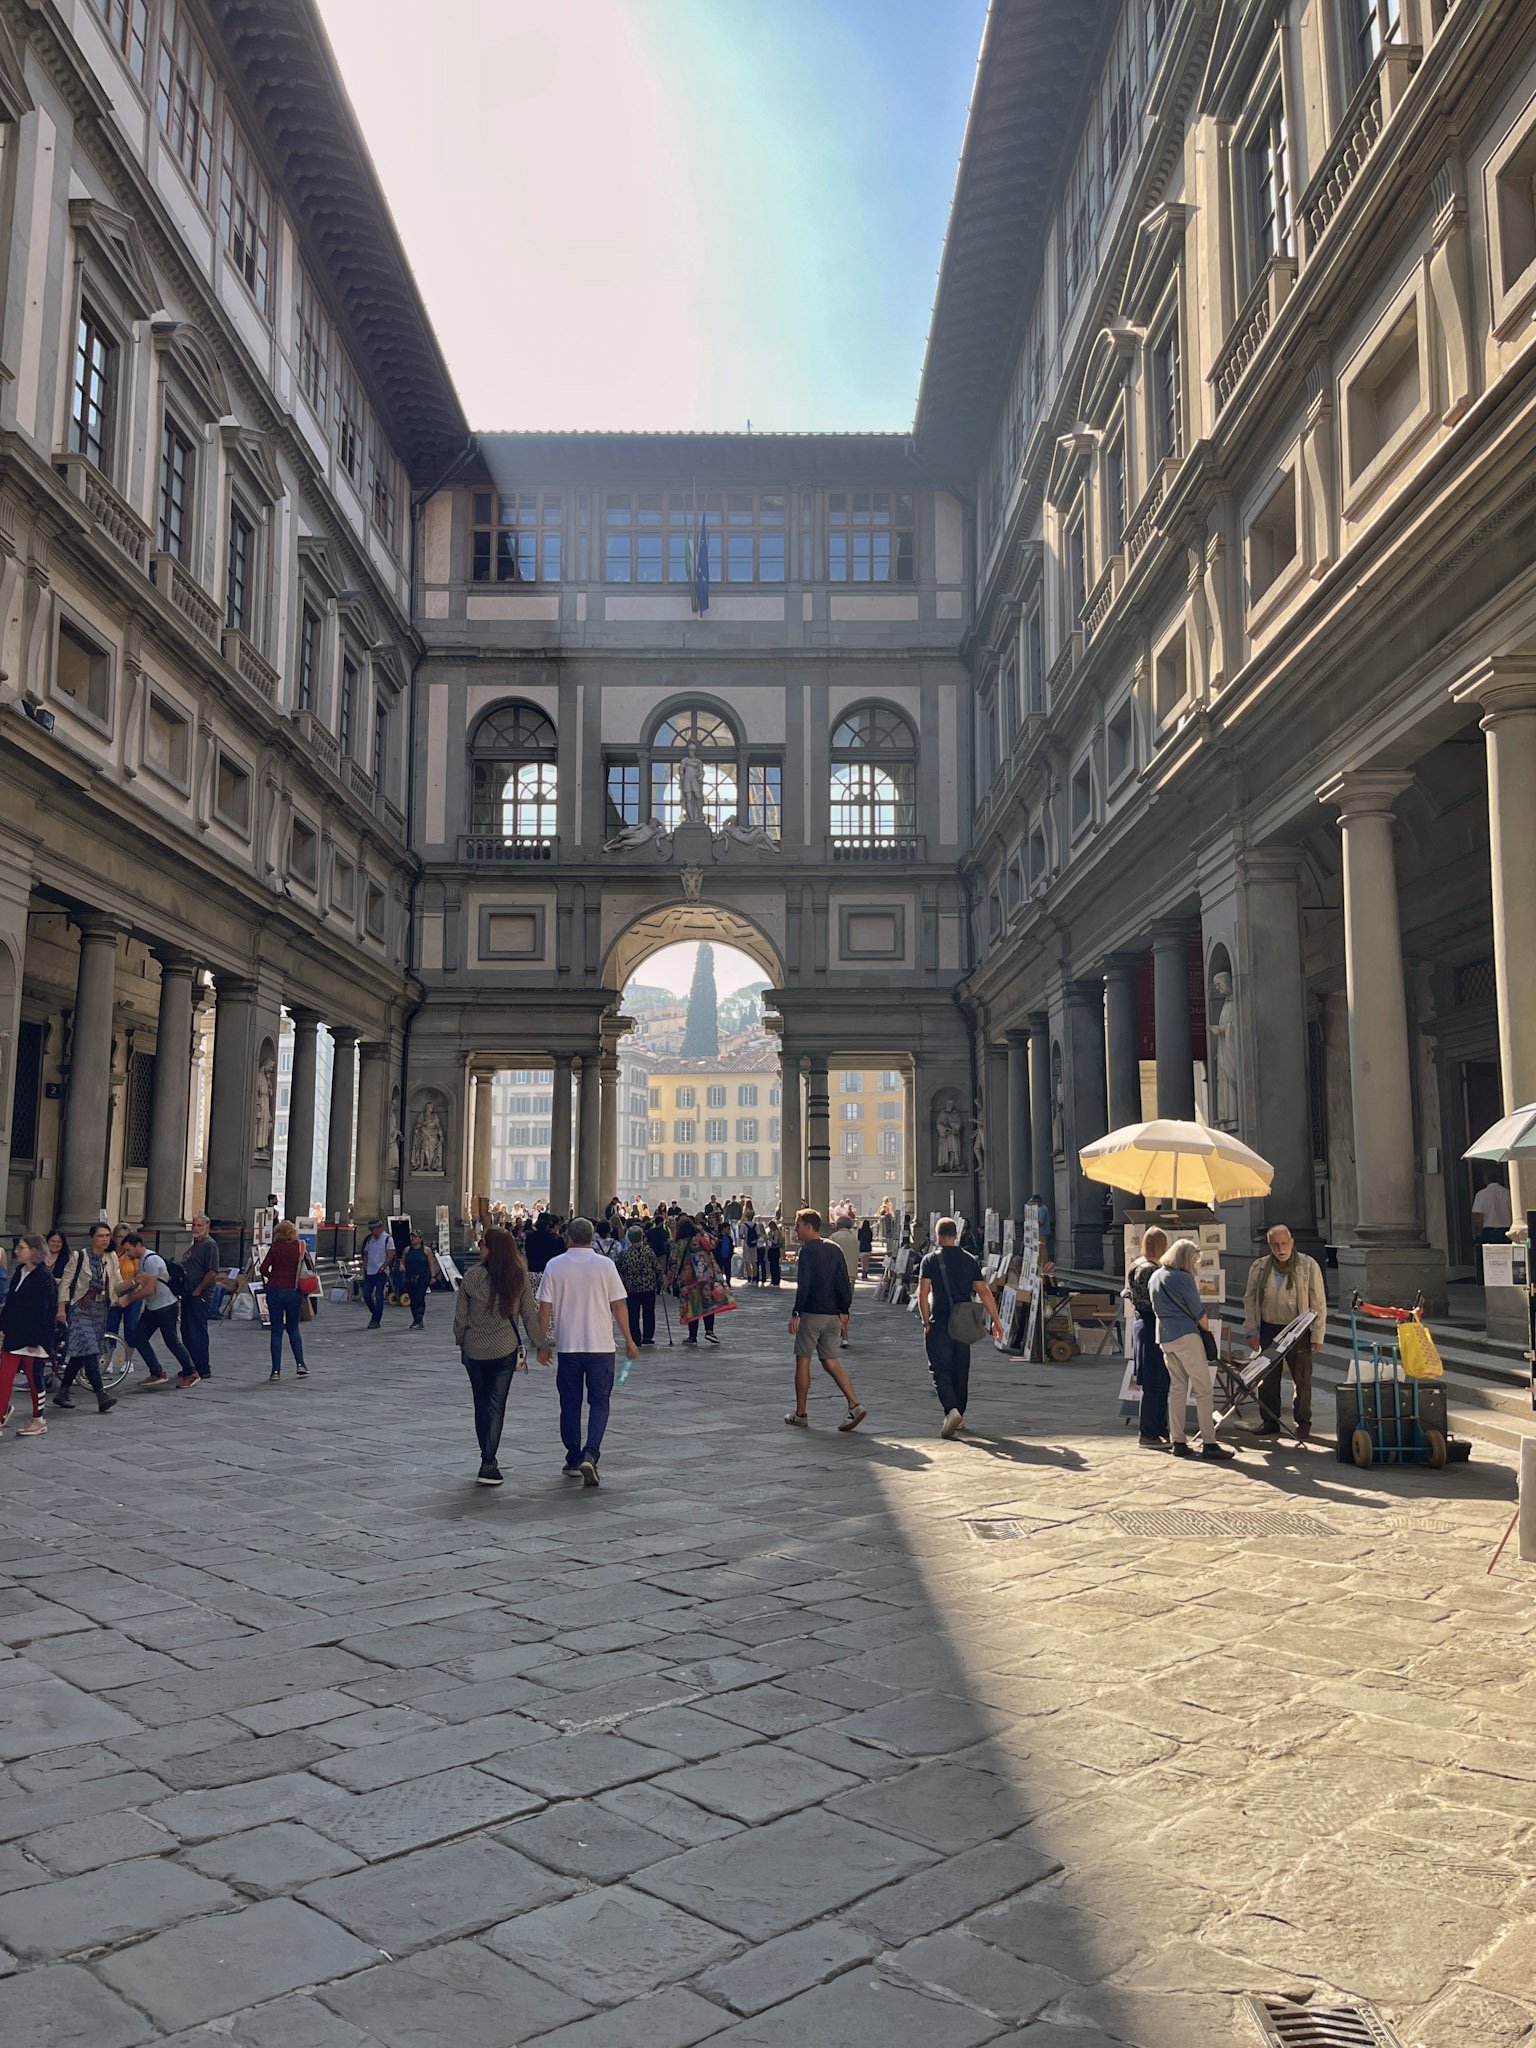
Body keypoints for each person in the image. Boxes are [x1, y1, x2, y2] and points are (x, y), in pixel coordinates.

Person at [536, 1217, 638, 1488]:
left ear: (568, 1237)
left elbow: (544, 1307)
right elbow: (619, 1305)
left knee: (569, 1403)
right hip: (601, 1346)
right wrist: (629, 1339)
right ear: (591, 1238)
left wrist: (542, 1343)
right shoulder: (605, 1265)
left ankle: (572, 1457)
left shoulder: (554, 1265)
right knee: (600, 1402)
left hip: (569, 1346)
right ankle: (591, 1454)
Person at [453, 1224, 540, 1486]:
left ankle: (486, 1456)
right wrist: (541, 1344)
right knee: (496, 1404)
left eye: (483, 1244)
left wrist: (462, 1341)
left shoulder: (471, 1277)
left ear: (492, 1248)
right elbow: (528, 1314)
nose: (480, 1247)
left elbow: (460, 1318)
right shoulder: (519, 1276)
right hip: (503, 1349)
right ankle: (489, 1462)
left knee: (480, 1403)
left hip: (475, 1350)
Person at [917, 1216, 1005, 1437]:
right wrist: (996, 1320)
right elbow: (983, 1291)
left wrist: (925, 1320)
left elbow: (923, 1292)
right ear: (956, 1235)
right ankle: (960, 1414)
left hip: (940, 1320)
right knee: (961, 1368)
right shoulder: (969, 1260)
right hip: (964, 1321)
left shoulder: (929, 1260)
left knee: (939, 1368)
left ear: (938, 1236)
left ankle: (951, 1409)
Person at [1242, 1224, 1328, 1442]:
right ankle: (1270, 1421)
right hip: (1270, 1328)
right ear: (1270, 1246)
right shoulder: (1260, 1267)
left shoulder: (1308, 1265)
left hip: (1298, 1329)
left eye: (1284, 1243)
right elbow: (1250, 1300)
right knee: (1268, 1379)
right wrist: (1251, 1329)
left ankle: (1303, 1422)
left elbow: (1318, 1302)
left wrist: (1318, 1335)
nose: (1280, 1248)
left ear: (1291, 1243)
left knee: (1302, 1378)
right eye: (1275, 1244)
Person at [1150, 1239, 1233, 1461]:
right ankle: (1209, 1442)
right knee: (1203, 1390)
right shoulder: (1184, 1278)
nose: (1196, 1263)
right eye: (1195, 1259)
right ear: (1187, 1258)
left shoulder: (1155, 1276)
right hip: (1186, 1336)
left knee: (1177, 1389)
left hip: (1165, 1337)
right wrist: (1206, 1328)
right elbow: (1199, 1314)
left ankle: (1177, 1440)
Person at [785, 1208, 865, 1431]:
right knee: (830, 1361)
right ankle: (855, 1404)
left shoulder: (808, 1251)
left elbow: (805, 1284)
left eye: (798, 1224)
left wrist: (796, 1313)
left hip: (812, 1313)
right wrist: (844, 1309)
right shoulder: (834, 1248)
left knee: (803, 1360)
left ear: (809, 1226)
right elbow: (842, 1281)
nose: (796, 1228)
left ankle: (801, 1413)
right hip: (832, 1315)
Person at [53, 1222, 121, 1415]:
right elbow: (65, 1283)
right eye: (101, 1236)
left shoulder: (111, 1257)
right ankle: (101, 1395)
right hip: (80, 1308)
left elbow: (117, 1281)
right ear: (92, 1238)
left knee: (80, 1353)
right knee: (90, 1350)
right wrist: (61, 1309)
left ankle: (63, 1391)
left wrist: (134, 1284)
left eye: (108, 1236)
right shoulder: (79, 1256)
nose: (105, 1239)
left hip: (100, 1309)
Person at [0, 1236, 57, 1439]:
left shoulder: (44, 1277)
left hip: (34, 1339)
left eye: (21, 1247)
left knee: (34, 1379)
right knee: (4, 1377)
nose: (16, 1251)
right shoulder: (19, 1272)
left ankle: (38, 1419)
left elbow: (44, 1311)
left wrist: (34, 1341)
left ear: (34, 1250)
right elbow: (12, 1303)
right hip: (15, 1335)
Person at [124, 1234, 199, 1387]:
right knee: (139, 1338)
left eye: (128, 1249)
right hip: (153, 1307)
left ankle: (191, 1372)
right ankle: (157, 1372)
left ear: (137, 1245)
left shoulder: (151, 1260)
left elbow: (149, 1289)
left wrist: (129, 1298)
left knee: (172, 1341)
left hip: (165, 1306)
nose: (127, 1253)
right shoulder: (143, 1260)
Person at [1122, 1226, 1171, 1449]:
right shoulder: (1151, 1270)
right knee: (1155, 1382)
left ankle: (1159, 1429)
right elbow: (1158, 1301)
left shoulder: (1136, 1264)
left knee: (1157, 1380)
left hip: (1141, 1323)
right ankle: (1149, 1432)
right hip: (1152, 1325)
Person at [667, 1218, 732, 1346]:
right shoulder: (701, 1239)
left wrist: (668, 1280)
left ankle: (692, 1336)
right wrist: (702, 1232)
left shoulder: (679, 1244)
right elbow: (715, 1242)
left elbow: (673, 1263)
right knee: (708, 1303)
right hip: (705, 1277)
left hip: (688, 1281)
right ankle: (709, 1331)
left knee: (692, 1307)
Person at [260, 1219, 308, 1381]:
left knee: (276, 1331)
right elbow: (308, 1267)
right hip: (293, 1291)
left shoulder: (275, 1248)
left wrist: (273, 1278)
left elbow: (263, 1268)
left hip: (274, 1291)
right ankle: (300, 1364)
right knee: (293, 1328)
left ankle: (275, 1371)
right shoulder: (300, 1248)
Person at [179, 1214, 225, 1379]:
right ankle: (190, 1365)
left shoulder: (209, 1245)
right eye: (194, 1225)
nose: (196, 1228)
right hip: (187, 1293)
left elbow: (212, 1271)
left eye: (199, 1225)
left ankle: (202, 1366)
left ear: (206, 1227)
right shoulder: (195, 1245)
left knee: (197, 1330)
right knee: (186, 1330)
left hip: (200, 1294)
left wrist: (198, 1290)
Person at [615, 1225, 660, 1347]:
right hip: (648, 1286)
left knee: (633, 1313)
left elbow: (619, 1269)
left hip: (632, 1287)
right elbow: (657, 1267)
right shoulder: (648, 1251)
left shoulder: (625, 1254)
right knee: (649, 1311)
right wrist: (659, 1281)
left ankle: (636, 1337)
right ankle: (648, 1336)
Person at [829, 1214, 860, 1345]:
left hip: (836, 1275)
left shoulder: (833, 1238)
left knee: (835, 1306)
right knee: (845, 1305)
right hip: (851, 1275)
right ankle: (844, 1333)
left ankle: (842, 1332)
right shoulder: (854, 1239)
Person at [360, 1219, 391, 1327]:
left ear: (379, 1228)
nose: (372, 1232)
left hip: (381, 1272)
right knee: (366, 1294)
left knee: (379, 1295)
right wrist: (365, 1266)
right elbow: (366, 1253)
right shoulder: (370, 1239)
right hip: (369, 1271)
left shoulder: (387, 1239)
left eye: (373, 1230)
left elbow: (390, 1255)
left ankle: (376, 1320)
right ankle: (375, 1313)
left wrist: (383, 1267)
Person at [402, 1232, 435, 1329]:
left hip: (422, 1277)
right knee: (412, 1298)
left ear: (420, 1239)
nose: (413, 1239)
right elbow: (403, 1261)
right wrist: (401, 1267)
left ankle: (419, 1319)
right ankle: (415, 1318)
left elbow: (430, 1263)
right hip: (410, 1277)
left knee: (419, 1297)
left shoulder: (426, 1250)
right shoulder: (407, 1250)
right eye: (412, 1237)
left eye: (415, 1237)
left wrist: (433, 1276)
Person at [1473, 1172, 1513, 1249]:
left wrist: (1478, 1234)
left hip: (1488, 1232)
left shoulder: (1481, 1194)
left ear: (1486, 1179)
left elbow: (1478, 1216)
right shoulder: (1507, 1193)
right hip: (1506, 1230)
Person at [763, 1216, 783, 1287]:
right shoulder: (771, 1232)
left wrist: (769, 1238)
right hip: (772, 1249)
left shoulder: (776, 1232)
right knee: (772, 1265)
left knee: (775, 1266)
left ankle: (775, 1281)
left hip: (774, 1249)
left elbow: (775, 1241)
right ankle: (773, 1280)